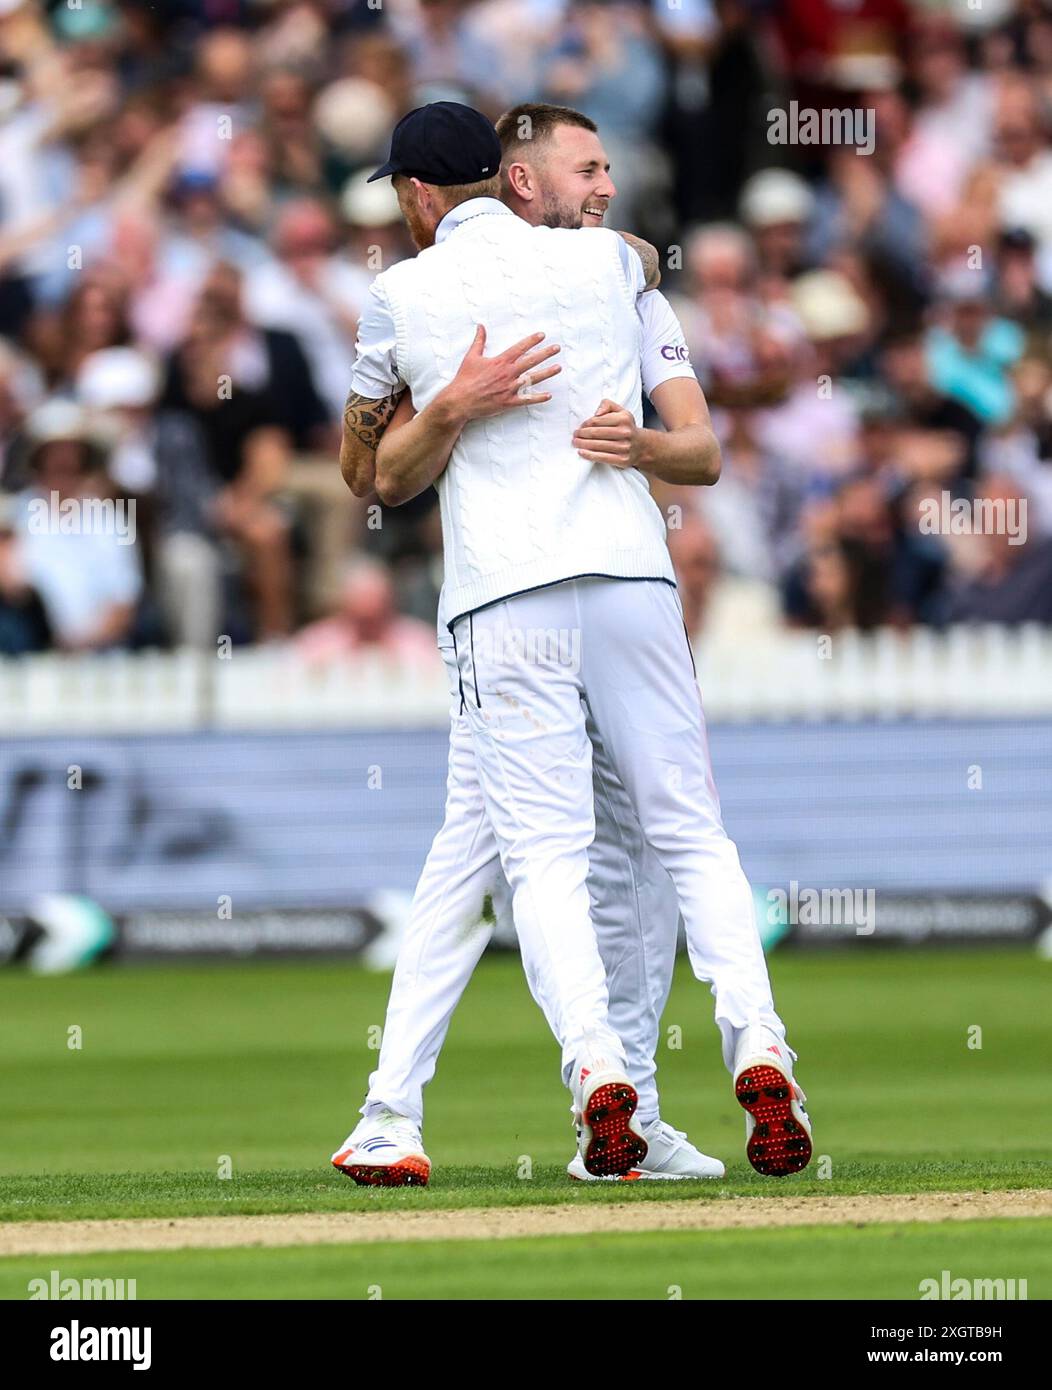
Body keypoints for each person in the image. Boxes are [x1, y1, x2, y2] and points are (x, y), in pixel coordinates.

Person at [336, 102, 811, 1185]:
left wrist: (447, 406)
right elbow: (644, 275)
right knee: (682, 835)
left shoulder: (400, 292)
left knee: (537, 853)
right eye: (585, 168)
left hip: (505, 598)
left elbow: (370, 480)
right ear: (512, 180)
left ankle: (596, 1076)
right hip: (632, 578)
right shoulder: (608, 263)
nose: (598, 187)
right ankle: (756, 1047)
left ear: (415, 195)